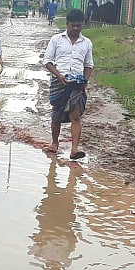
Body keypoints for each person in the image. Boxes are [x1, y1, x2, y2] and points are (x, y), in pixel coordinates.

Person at [43, 8, 94, 161]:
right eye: (73, 26)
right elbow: (47, 61)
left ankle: (74, 148)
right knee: (56, 114)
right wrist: (59, 76)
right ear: (67, 24)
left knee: (75, 115)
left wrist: (85, 80)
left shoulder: (87, 43)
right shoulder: (56, 40)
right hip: (59, 82)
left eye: (79, 26)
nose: (76, 29)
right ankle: (54, 143)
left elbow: (89, 64)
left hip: (77, 84)